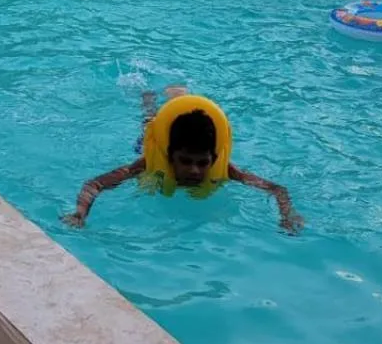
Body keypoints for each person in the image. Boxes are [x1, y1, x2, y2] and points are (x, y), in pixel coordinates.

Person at [64, 86, 304, 233]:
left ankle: (177, 95)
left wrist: (288, 214)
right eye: (186, 161)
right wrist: (80, 213)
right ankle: (149, 99)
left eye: (202, 163)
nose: (195, 171)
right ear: (170, 157)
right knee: (149, 124)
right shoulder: (147, 163)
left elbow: (277, 189)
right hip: (153, 140)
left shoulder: (229, 170)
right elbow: (95, 184)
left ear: (214, 159)